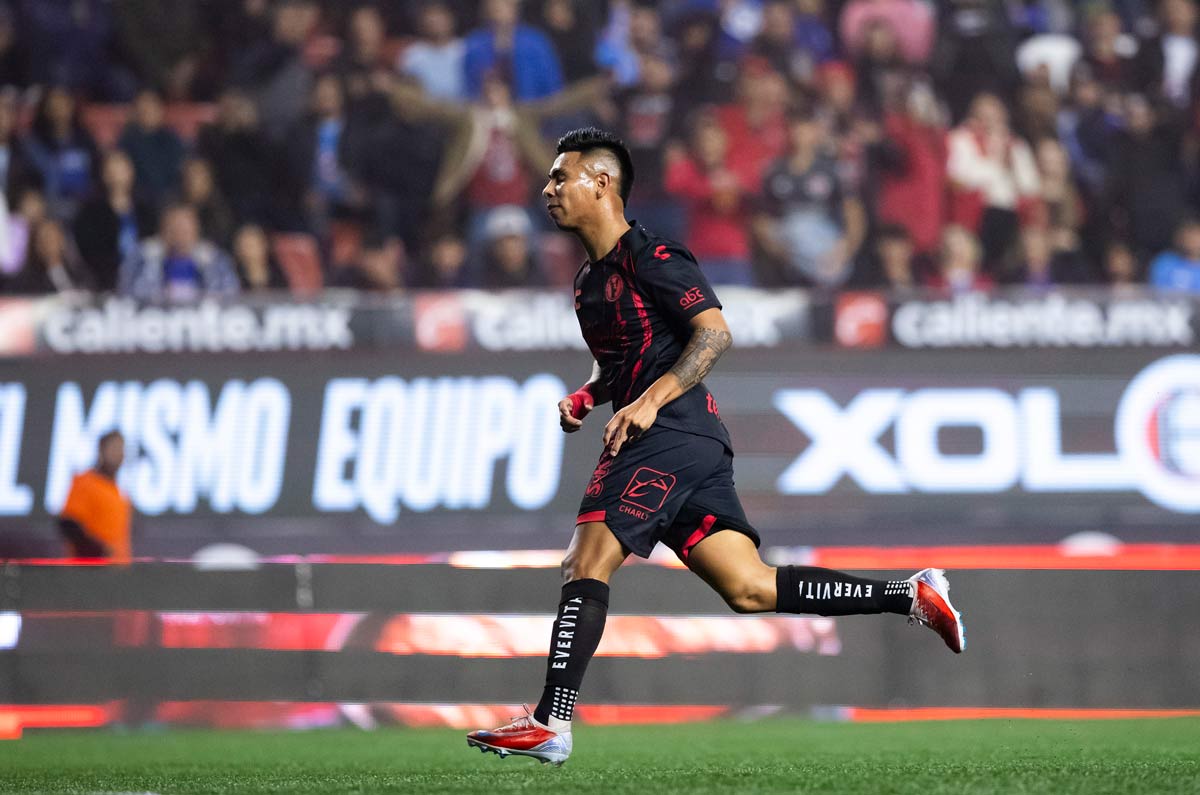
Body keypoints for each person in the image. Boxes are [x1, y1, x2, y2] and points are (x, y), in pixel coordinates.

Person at [465, 127, 965, 766]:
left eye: (561, 176)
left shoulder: (654, 255)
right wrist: (589, 396)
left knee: (585, 560)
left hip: (667, 432)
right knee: (748, 587)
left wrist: (648, 402)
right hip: (688, 441)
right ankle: (912, 594)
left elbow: (714, 334)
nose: (548, 188)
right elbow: (621, 361)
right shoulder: (589, 281)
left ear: (602, 183)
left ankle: (550, 721)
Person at [119, 203, 240, 303]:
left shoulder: (215, 260)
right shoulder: (142, 258)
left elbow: (230, 296)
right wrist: (151, 263)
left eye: (185, 229)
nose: (180, 235)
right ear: (163, 231)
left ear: (196, 230)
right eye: (174, 228)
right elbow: (128, 294)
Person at [58, 430, 132, 563]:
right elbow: (69, 524)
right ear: (101, 451)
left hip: (117, 570)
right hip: (89, 569)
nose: (119, 454)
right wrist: (100, 550)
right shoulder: (85, 482)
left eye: (121, 449)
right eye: (114, 448)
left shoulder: (119, 491)